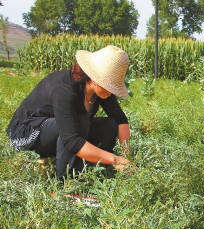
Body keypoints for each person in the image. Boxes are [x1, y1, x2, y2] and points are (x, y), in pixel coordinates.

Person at [7, 45, 131, 181]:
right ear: (95, 79)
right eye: (110, 85)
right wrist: (115, 160)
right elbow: (72, 140)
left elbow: (120, 120)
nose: (112, 91)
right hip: (28, 134)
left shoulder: (103, 91)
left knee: (110, 125)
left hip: (60, 132)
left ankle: (94, 168)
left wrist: (127, 156)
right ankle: (66, 181)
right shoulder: (64, 90)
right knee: (80, 122)